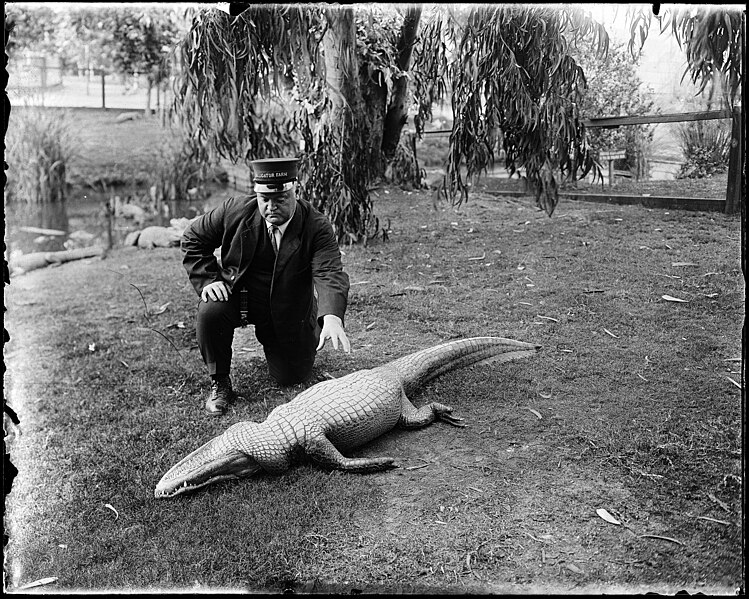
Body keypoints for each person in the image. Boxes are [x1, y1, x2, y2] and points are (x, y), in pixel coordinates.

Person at [182, 157, 351, 416]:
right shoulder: (235, 210)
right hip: (238, 297)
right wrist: (208, 279)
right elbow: (193, 237)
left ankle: (296, 337)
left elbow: (328, 271)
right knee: (210, 310)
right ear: (257, 194)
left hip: (287, 306)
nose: (271, 206)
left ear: (294, 193)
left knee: (292, 376)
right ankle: (220, 382)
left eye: (281, 199)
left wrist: (331, 317)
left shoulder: (315, 225)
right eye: (265, 199)